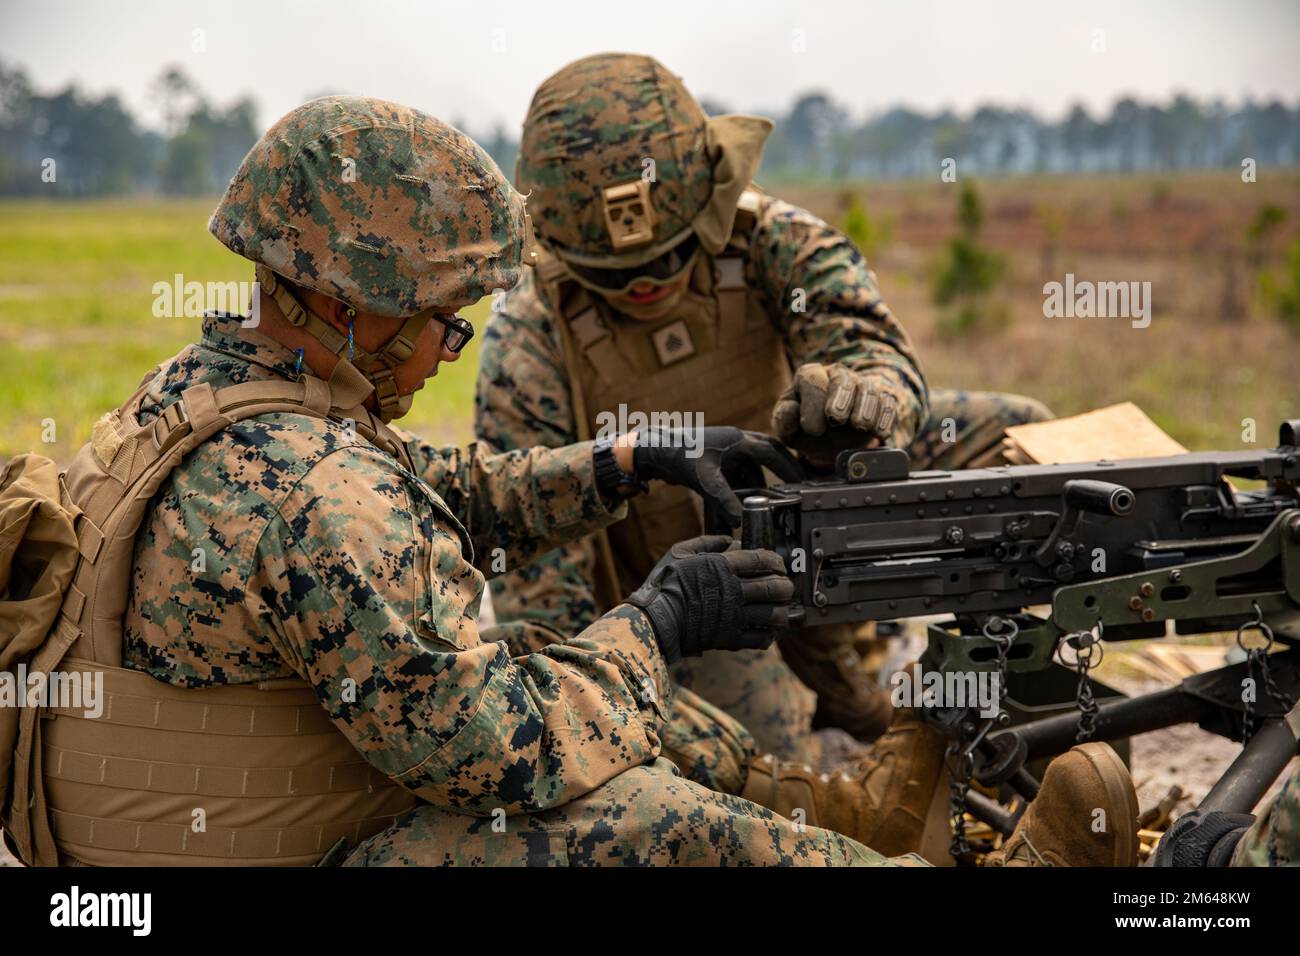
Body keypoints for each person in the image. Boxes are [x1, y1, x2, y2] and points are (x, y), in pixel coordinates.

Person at [4, 95, 1131, 869]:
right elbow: (501, 745)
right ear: (353, 304)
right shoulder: (316, 493)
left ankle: (854, 815)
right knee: (623, 805)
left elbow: (434, 483)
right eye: (443, 324)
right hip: (260, 844)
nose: (449, 350)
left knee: (576, 677)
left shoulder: (204, 393)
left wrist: (631, 459)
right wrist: (662, 620)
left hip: (167, 823)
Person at [475, 52, 1052, 783]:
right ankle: (837, 719)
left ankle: (998, 675)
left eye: (674, 254)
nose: (648, 285)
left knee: (1022, 439)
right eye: (617, 277)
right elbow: (542, 588)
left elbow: (874, 350)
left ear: (711, 203)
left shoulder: (776, 241)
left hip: (823, 521)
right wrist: (637, 677)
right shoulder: (531, 336)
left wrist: (863, 406)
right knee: (766, 766)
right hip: (697, 606)